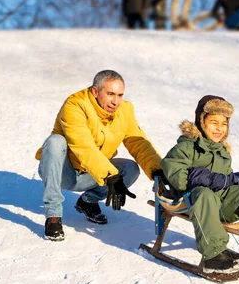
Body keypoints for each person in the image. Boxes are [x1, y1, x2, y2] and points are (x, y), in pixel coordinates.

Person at [160, 95, 239, 274]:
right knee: (204, 193)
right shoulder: (187, 147)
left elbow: (225, 184)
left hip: (219, 203)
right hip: (190, 202)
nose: (219, 128)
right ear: (201, 121)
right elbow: (176, 175)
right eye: (214, 122)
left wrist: (234, 180)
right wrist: (207, 178)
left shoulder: (222, 151)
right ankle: (213, 257)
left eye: (224, 124)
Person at [35, 70, 164, 241]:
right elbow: (83, 146)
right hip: (62, 172)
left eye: (119, 95)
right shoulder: (75, 105)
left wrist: (158, 170)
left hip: (92, 174)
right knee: (55, 142)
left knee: (130, 169)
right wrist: (109, 175)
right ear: (96, 92)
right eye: (110, 94)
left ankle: (88, 202)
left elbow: (137, 141)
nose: (116, 101)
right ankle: (53, 216)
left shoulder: (125, 110)